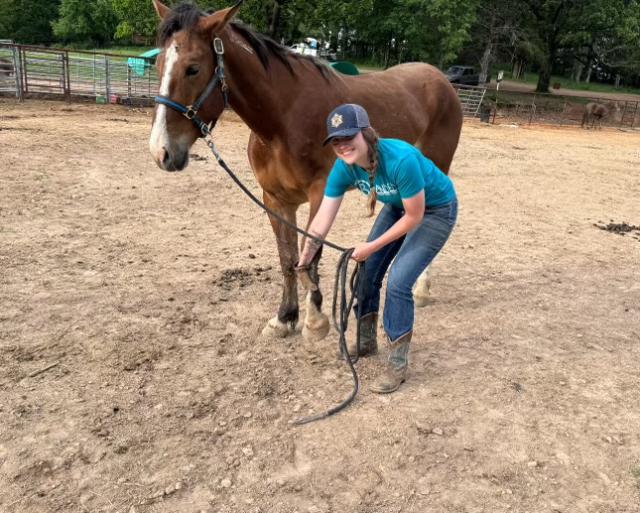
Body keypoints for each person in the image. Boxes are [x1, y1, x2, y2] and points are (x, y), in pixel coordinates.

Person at [296, 103, 458, 393]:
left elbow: (415, 216)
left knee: (398, 281)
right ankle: (367, 341)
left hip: (434, 210)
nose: (342, 146)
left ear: (366, 134)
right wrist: (306, 255)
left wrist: (370, 246)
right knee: (367, 270)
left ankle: (397, 365)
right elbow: (323, 216)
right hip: (399, 205)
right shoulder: (344, 167)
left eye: (348, 137)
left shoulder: (401, 159)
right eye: (336, 140)